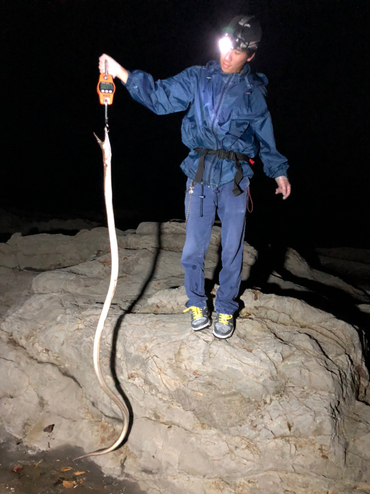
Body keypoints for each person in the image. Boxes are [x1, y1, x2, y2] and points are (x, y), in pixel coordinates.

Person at [98, 14, 291, 340]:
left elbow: (265, 137)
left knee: (232, 250)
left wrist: (279, 172)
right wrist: (122, 74)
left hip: (235, 178)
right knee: (193, 249)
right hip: (199, 175)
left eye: (237, 52)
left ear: (251, 55)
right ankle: (197, 302)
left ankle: (227, 307)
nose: (227, 56)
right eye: (225, 47)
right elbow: (159, 98)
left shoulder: (252, 93)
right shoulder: (198, 78)